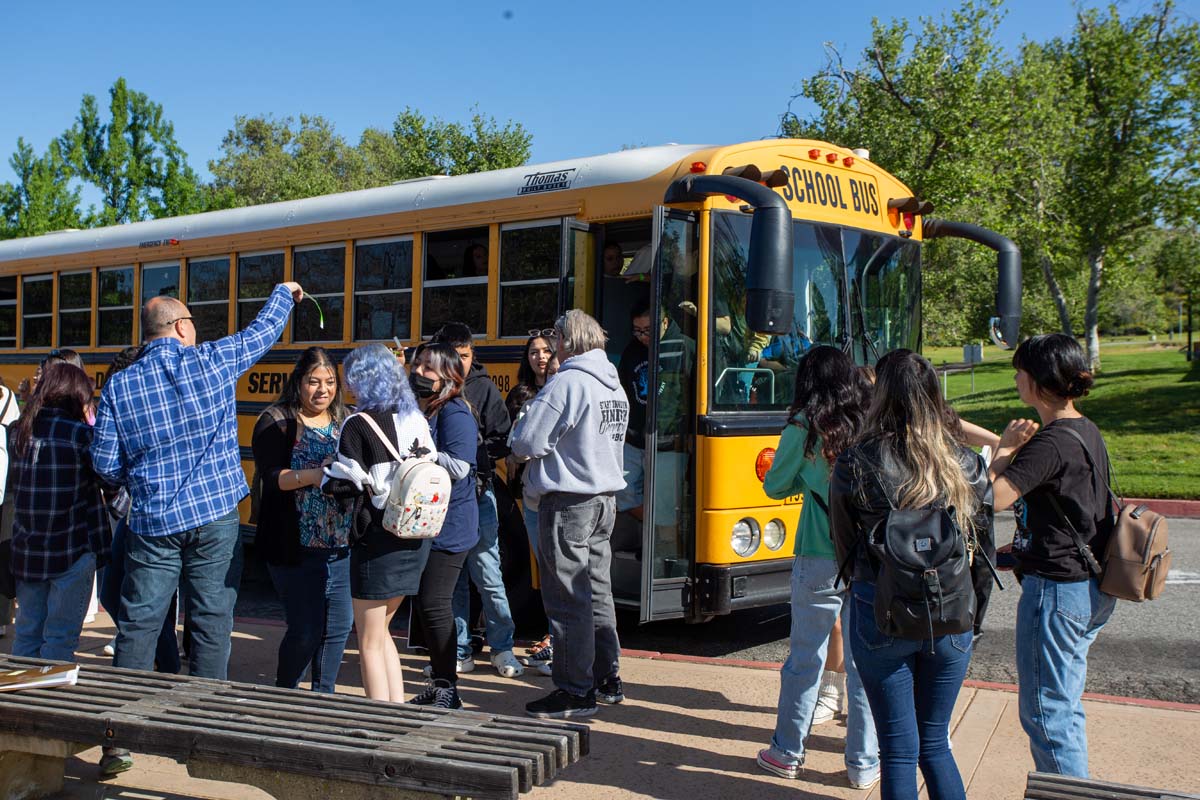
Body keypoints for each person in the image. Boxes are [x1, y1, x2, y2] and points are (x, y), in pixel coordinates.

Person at [92, 280, 304, 679]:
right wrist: (281, 293)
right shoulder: (211, 361)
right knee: (211, 621)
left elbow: (104, 463)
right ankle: (202, 719)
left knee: (140, 622)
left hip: (153, 521)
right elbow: (261, 332)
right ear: (182, 328)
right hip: (215, 514)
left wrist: (140, 480)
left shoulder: (120, 385)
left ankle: (117, 730)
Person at [829, 350, 995, 800]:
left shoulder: (855, 462)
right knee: (935, 743)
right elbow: (984, 556)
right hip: (951, 610)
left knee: (898, 751)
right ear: (934, 394)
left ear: (879, 393)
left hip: (880, 604)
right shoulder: (966, 464)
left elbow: (845, 547)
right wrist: (973, 622)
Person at [987, 333, 1114, 778]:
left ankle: (1067, 793)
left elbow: (989, 498)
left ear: (1039, 381)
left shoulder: (1051, 443)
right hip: (1090, 586)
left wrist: (1004, 450)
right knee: (1063, 706)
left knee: (1046, 714)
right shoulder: (1085, 429)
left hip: (1057, 593)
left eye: (1020, 369)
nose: (1016, 376)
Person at [755, 346, 880, 789]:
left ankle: (787, 751)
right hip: (870, 557)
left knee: (804, 658)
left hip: (819, 552)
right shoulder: (872, 418)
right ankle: (863, 762)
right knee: (866, 663)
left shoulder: (805, 426)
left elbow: (775, 485)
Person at [510, 310, 629, 719]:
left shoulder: (568, 382)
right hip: (605, 499)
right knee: (598, 591)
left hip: (568, 501)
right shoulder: (613, 383)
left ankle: (574, 690)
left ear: (566, 340)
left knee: (566, 599)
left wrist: (522, 433)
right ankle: (606, 678)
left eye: (555, 338)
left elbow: (527, 441)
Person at [322, 344, 435, 703]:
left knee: (368, 640)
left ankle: (379, 719)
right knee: (383, 631)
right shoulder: (414, 417)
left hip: (377, 539)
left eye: (350, 377)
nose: (346, 385)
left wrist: (325, 474)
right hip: (415, 534)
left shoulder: (357, 424)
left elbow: (344, 485)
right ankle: (396, 710)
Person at [253, 347, 354, 693]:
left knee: (338, 627)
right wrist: (312, 475)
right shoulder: (276, 420)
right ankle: (285, 693)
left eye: (329, 383)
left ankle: (321, 698)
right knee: (307, 628)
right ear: (298, 382)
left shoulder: (346, 420)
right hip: (292, 544)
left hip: (339, 545)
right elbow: (272, 477)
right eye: (313, 382)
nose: (322, 390)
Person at [430, 323, 523, 679]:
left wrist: (473, 448)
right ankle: (460, 648)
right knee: (450, 580)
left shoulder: (483, 388)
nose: (462, 364)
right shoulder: (430, 388)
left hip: (479, 490)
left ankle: (503, 647)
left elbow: (504, 438)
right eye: (455, 357)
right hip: (440, 497)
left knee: (487, 573)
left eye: (466, 357)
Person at [8, 363, 110, 662]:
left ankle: (20, 700)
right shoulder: (80, 434)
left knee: (27, 633)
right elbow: (107, 477)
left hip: (28, 548)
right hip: (71, 547)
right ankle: (49, 696)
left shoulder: (18, 432)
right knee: (60, 638)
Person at [98, 346, 181, 674]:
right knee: (117, 593)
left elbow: (109, 461)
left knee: (145, 601)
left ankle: (163, 666)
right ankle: (159, 661)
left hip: (149, 514)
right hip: (131, 511)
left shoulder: (148, 402)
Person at [407, 342, 479, 709]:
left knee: (435, 604)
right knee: (426, 604)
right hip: (427, 521)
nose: (418, 373)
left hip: (450, 526)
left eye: (428, 368)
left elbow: (461, 467)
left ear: (449, 376)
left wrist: (423, 454)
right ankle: (440, 684)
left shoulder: (454, 412)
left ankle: (448, 688)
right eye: (417, 365)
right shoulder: (427, 407)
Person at [505, 331, 557, 669]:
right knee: (539, 564)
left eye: (546, 352)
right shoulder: (523, 395)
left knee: (554, 567)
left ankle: (555, 635)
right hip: (528, 488)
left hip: (553, 487)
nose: (539, 358)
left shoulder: (562, 393)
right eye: (533, 352)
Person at [0, 376, 21, 639]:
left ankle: (2, 616)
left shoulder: (6, 398)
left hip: (7, 490)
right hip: (7, 486)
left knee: (3, 554)